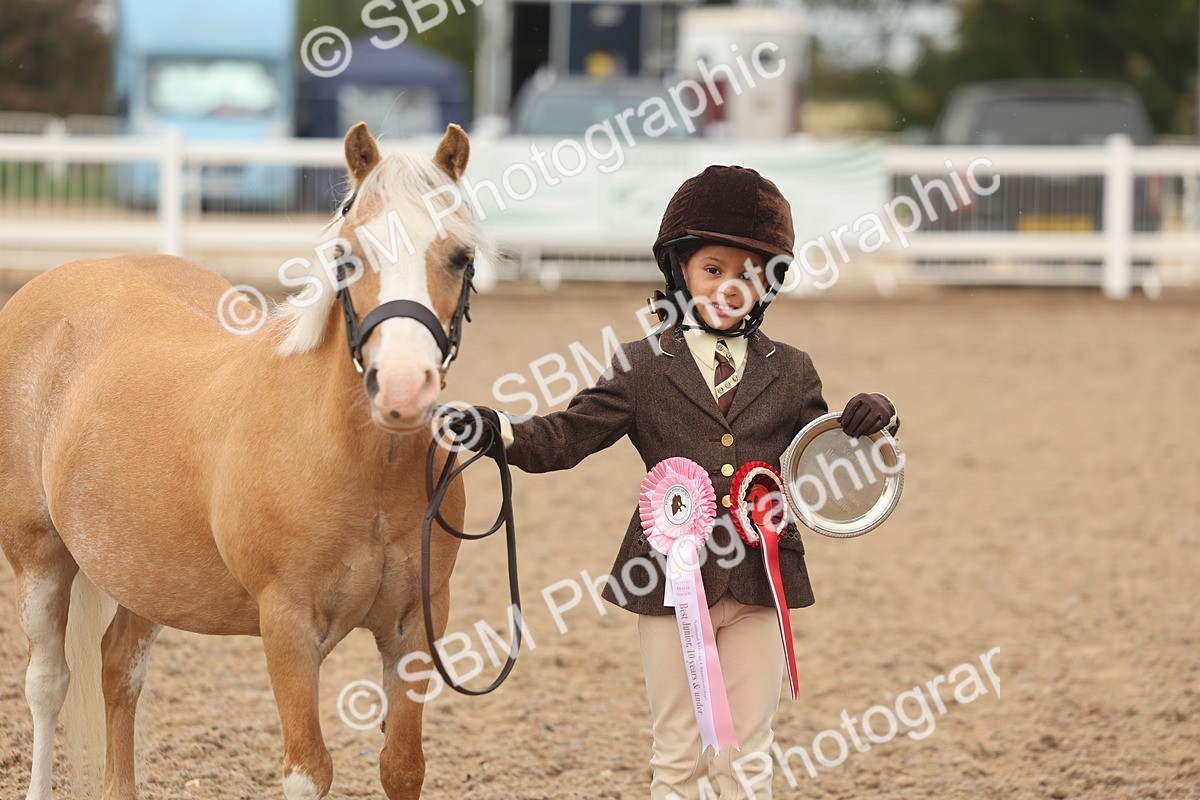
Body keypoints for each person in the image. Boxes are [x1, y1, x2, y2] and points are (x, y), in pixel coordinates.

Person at [449, 165, 899, 799]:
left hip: (759, 580)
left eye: (748, 273)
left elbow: (824, 454)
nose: (729, 287)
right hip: (666, 580)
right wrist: (497, 429)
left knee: (748, 754)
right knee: (677, 754)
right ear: (681, 271)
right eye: (713, 270)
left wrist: (876, 419)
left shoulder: (793, 371)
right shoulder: (642, 365)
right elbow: (569, 435)